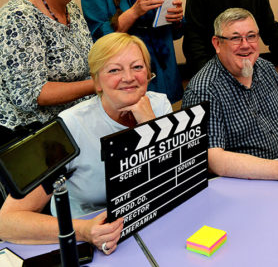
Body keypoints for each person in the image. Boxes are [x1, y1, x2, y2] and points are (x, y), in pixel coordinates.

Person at [0, 32, 172, 255]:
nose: (129, 77)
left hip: (148, 226)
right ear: (97, 82)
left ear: (148, 74)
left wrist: (150, 126)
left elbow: (170, 179)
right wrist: (84, 230)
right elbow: (6, 222)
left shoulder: (160, 107)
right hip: (89, 237)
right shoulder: (69, 128)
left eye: (137, 67)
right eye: (114, 70)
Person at [182, 8, 278, 182]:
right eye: (235, 38)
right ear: (217, 44)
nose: (246, 45)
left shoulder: (266, 68)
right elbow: (213, 159)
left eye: (251, 36)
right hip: (242, 180)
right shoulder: (203, 90)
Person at [0, 0, 96, 130]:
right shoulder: (18, 17)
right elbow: (29, 94)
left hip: (74, 123)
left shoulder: (71, 9)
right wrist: (99, 84)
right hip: (32, 134)